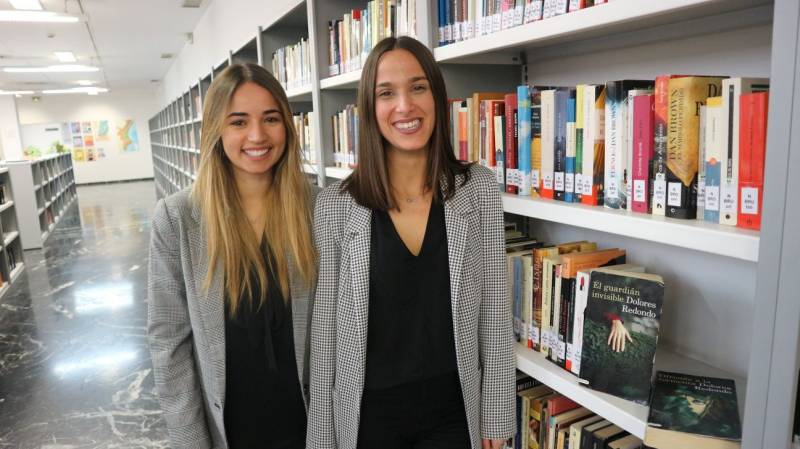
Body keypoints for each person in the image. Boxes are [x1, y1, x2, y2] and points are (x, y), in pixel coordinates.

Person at [307, 36, 515, 449]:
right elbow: (325, 331)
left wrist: (496, 415)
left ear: (437, 97)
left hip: (455, 411)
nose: (405, 106)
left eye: (418, 87)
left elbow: (494, 308)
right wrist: (322, 437)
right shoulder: (335, 206)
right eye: (387, 93)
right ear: (370, 108)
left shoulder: (478, 189)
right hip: (367, 416)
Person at [148, 63, 317, 449]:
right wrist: (190, 440)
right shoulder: (178, 218)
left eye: (270, 118)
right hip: (229, 426)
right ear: (215, 130)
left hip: (315, 422)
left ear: (287, 128)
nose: (257, 135)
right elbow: (168, 342)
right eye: (238, 122)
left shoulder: (321, 208)